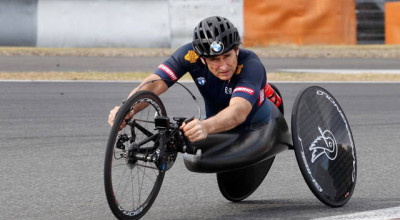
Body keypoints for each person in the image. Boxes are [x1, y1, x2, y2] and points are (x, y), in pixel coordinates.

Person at [108, 16, 281, 143]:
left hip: (252, 122)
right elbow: (155, 83)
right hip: (216, 119)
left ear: (236, 50)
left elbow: (238, 111)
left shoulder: (250, 64)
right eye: (214, 59)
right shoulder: (190, 55)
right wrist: (127, 108)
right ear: (203, 59)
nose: (223, 66)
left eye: (227, 56)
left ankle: (265, 90)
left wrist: (205, 127)